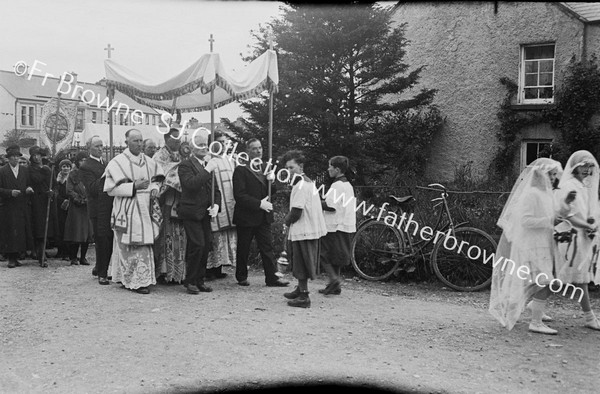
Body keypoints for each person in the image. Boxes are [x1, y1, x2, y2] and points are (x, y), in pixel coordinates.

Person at [489, 158, 565, 334]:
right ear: (540, 175)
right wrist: (549, 221)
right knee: (544, 281)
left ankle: (529, 306)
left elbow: (548, 215)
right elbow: (525, 220)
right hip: (532, 244)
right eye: (551, 174)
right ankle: (535, 322)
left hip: (543, 243)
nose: (554, 178)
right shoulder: (531, 194)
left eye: (555, 174)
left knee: (534, 280)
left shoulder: (547, 193)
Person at [103, 129, 165, 294]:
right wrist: (133, 186)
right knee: (130, 246)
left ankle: (141, 278)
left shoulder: (149, 161)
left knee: (144, 243)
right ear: (126, 143)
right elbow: (110, 190)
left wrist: (154, 189)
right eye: (135, 141)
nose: (139, 144)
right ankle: (133, 280)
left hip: (145, 207)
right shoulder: (117, 162)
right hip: (127, 208)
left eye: (140, 141)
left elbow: (156, 181)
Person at [553, 150, 600, 330]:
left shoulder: (583, 187)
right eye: (583, 167)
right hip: (569, 237)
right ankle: (589, 317)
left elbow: (584, 212)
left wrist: (590, 223)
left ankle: (533, 303)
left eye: (590, 167)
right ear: (575, 168)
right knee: (576, 278)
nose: (587, 170)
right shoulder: (569, 186)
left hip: (581, 236)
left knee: (569, 277)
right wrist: (587, 226)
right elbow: (569, 216)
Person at [232, 138, 289, 287]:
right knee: (244, 247)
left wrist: (272, 180)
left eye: (260, 148)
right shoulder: (241, 169)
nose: (258, 151)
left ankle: (272, 277)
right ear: (247, 152)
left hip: (263, 216)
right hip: (247, 215)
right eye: (254, 149)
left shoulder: (265, 167)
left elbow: (273, 191)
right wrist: (259, 204)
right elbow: (239, 195)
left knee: (267, 247)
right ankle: (241, 276)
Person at [280, 150, 327, 308]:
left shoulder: (301, 185)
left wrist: (286, 222)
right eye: (286, 168)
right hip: (307, 229)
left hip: (304, 230)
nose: (289, 171)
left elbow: (296, 212)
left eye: (291, 168)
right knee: (299, 261)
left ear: (300, 167)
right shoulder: (307, 182)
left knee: (301, 262)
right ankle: (300, 289)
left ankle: (304, 296)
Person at [178, 129, 221, 294]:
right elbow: (191, 184)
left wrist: (216, 204)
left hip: (205, 212)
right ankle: (190, 281)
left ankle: (199, 279)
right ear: (192, 148)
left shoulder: (207, 165)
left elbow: (215, 189)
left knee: (205, 246)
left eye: (206, 144)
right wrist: (207, 170)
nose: (204, 148)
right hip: (191, 211)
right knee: (197, 245)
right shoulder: (185, 165)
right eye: (200, 145)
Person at [318, 156, 356, 295]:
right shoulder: (347, 185)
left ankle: (334, 279)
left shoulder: (337, 185)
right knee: (336, 256)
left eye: (330, 166)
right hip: (344, 224)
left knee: (324, 254)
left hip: (334, 225)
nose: (328, 169)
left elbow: (330, 205)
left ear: (337, 169)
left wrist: (317, 202)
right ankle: (334, 286)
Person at [153, 127, 187, 284]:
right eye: (174, 139)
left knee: (181, 238)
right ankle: (165, 271)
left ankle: (179, 272)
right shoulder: (159, 156)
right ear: (166, 139)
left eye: (179, 139)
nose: (178, 142)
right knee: (167, 237)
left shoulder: (183, 154)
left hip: (182, 201)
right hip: (166, 202)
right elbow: (160, 175)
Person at [80, 136, 114, 285]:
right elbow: (92, 188)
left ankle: (99, 267)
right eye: (97, 146)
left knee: (109, 238)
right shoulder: (86, 166)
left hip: (108, 206)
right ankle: (102, 273)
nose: (101, 149)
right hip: (97, 209)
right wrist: (106, 177)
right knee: (102, 240)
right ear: (89, 148)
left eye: (102, 146)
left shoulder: (105, 163)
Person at [206, 132, 237, 280]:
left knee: (224, 237)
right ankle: (210, 268)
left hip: (229, 202)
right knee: (214, 236)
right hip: (215, 203)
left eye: (225, 142)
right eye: (219, 142)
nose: (223, 145)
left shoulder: (230, 160)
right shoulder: (208, 160)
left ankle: (220, 266)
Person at [0, 145, 34, 268]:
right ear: (8, 158)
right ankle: (11, 258)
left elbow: (29, 184)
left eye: (17, 156)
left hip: (21, 204)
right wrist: (9, 192)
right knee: (9, 231)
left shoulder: (25, 170)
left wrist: (28, 188)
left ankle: (19, 255)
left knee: (20, 231)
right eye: (12, 156)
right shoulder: (2, 171)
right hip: (8, 206)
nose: (15, 159)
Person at [28, 145, 59, 267]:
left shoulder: (48, 169)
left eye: (39, 155)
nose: (37, 158)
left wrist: (53, 193)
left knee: (47, 229)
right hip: (36, 202)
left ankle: (41, 252)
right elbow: (31, 182)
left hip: (47, 201)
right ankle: (41, 255)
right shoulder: (29, 170)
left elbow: (55, 186)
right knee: (39, 229)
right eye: (34, 155)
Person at [63, 152, 92, 266]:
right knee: (76, 232)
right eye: (81, 160)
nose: (83, 162)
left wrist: (89, 199)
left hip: (87, 207)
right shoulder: (72, 174)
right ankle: (73, 257)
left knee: (86, 233)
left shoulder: (89, 173)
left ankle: (83, 257)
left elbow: (93, 187)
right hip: (76, 207)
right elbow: (69, 190)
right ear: (77, 161)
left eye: (85, 160)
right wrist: (78, 199)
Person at [55, 159, 73, 261]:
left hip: (71, 205)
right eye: (63, 166)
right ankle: (61, 250)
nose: (66, 168)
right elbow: (56, 192)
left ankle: (69, 251)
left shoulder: (72, 178)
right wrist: (62, 201)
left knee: (69, 228)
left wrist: (70, 201)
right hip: (60, 206)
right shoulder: (58, 179)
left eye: (67, 166)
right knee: (61, 228)